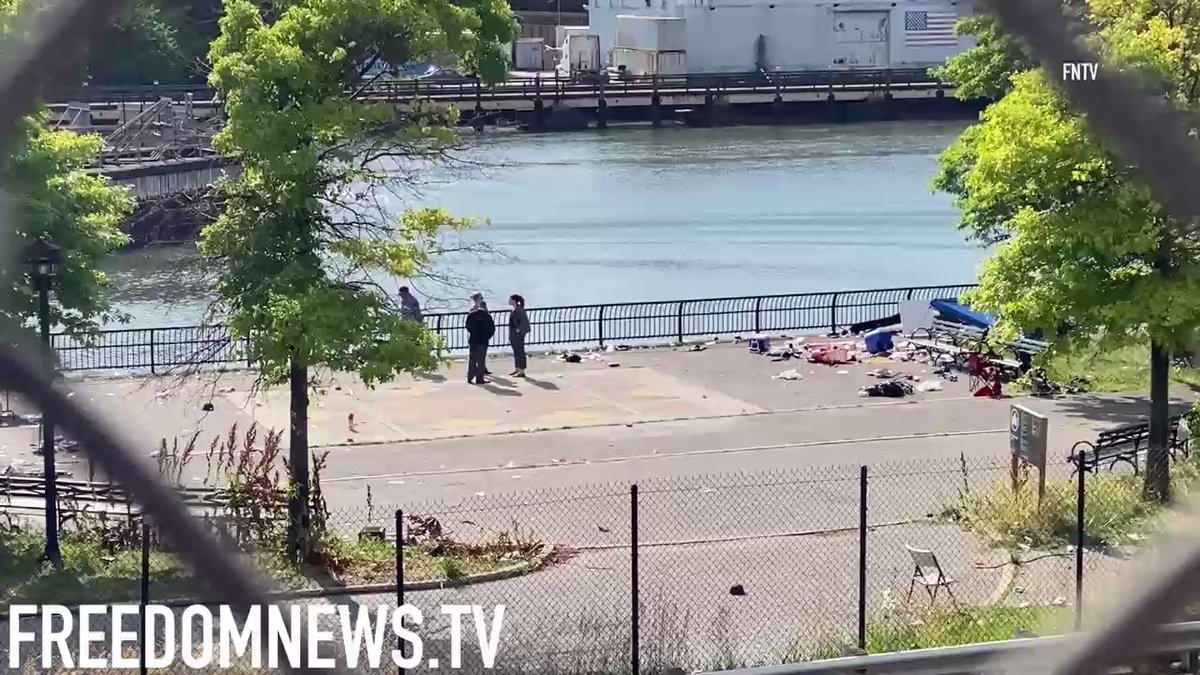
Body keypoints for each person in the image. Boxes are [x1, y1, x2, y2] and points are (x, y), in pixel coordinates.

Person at [465, 293, 495, 384]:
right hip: (483, 340)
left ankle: (470, 377)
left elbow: (468, 326)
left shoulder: (472, 314)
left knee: (472, 359)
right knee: (481, 360)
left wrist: (472, 333)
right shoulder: (487, 316)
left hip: (473, 339)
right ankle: (479, 378)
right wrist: (487, 337)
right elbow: (491, 329)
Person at [508, 294, 530, 377]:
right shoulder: (515, 310)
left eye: (510, 299)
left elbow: (524, 322)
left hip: (518, 334)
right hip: (513, 334)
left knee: (520, 351)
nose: (509, 301)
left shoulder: (520, 310)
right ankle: (517, 368)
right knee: (516, 351)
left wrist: (519, 329)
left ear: (514, 300)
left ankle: (522, 370)